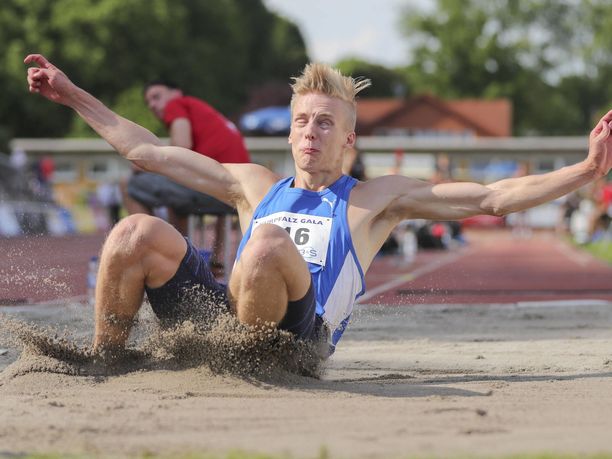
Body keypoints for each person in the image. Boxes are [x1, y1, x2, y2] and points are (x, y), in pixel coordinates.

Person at [25, 54, 612, 358]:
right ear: (288, 134)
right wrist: (72, 94)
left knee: (265, 245)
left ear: (348, 140)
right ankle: (108, 360)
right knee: (134, 231)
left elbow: (492, 197)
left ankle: (244, 365)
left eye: (326, 123)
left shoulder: (376, 199)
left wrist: (585, 169)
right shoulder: (254, 183)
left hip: (295, 346)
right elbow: (149, 152)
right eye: (302, 121)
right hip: (228, 322)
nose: (310, 131)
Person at [124, 80, 251, 274]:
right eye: (148, 101)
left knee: (127, 185)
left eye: (156, 96)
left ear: (176, 93)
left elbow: (180, 146)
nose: (152, 105)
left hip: (217, 192)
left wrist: (141, 164)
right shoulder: (206, 114)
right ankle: (216, 262)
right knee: (178, 186)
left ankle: (155, 254)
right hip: (237, 196)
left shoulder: (176, 105)